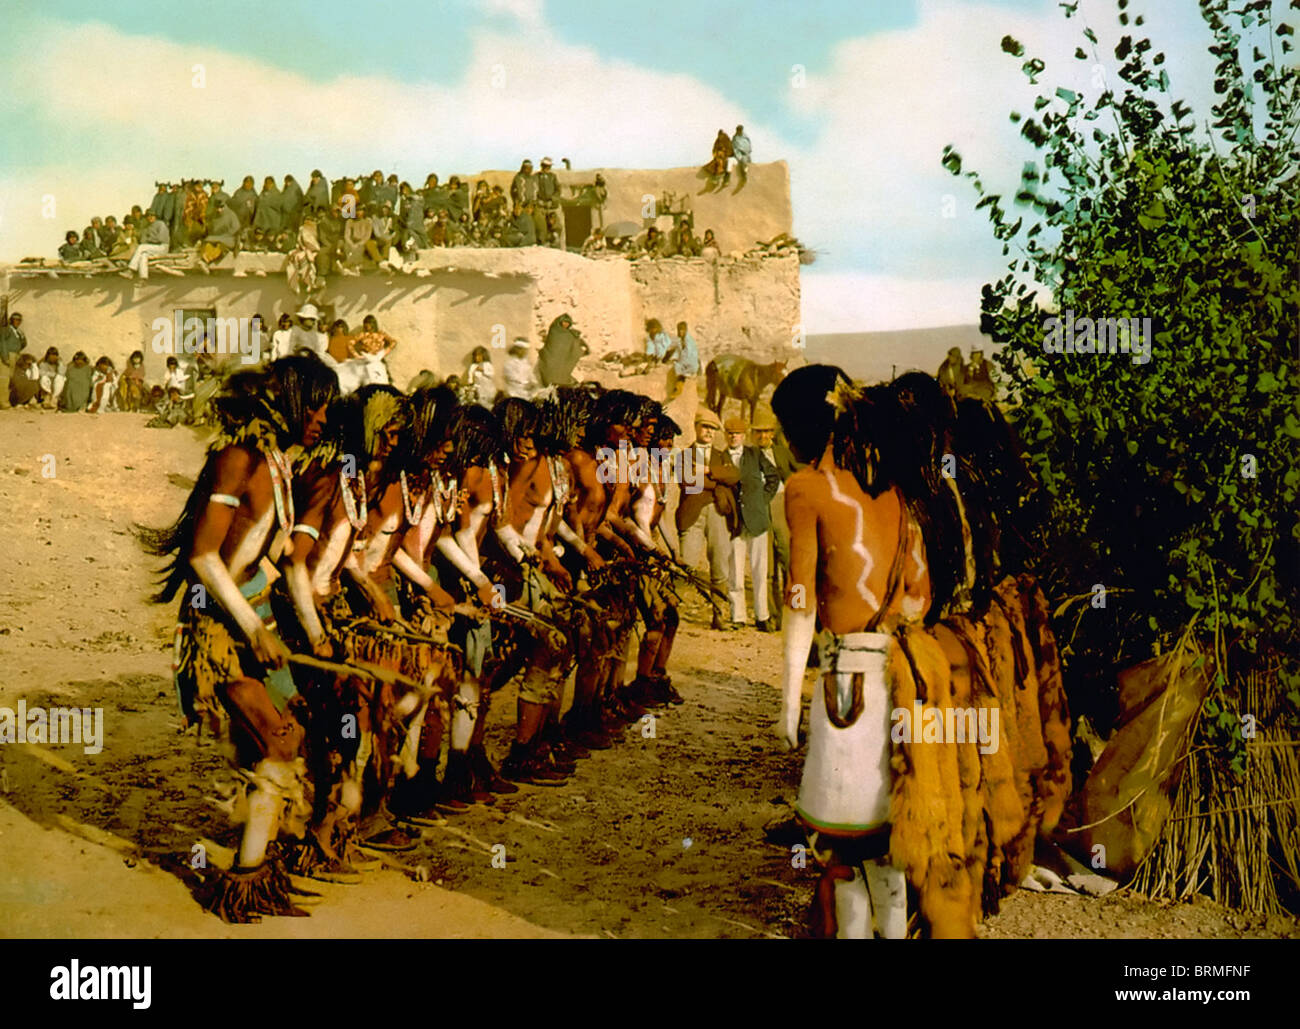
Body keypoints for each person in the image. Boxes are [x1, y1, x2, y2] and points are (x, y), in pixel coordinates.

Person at [140, 356, 338, 922]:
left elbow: (265, 557)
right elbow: (204, 555)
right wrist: (252, 628)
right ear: (291, 400)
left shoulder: (277, 461)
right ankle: (243, 885)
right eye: (316, 403)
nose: (323, 418)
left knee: (287, 736)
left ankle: (259, 877)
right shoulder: (238, 458)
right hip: (218, 630)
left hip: (255, 621)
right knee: (278, 741)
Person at [771, 364, 932, 940]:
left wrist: (789, 703)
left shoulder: (806, 489)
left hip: (847, 695)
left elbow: (800, 602)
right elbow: (920, 595)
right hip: (902, 684)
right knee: (888, 853)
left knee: (840, 854)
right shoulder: (898, 492)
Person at [676, 410, 740, 631]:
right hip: (692, 513)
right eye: (705, 427)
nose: (709, 432)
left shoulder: (722, 456)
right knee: (686, 564)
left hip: (718, 513)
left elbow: (734, 476)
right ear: (695, 427)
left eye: (713, 429)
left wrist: (706, 471)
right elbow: (686, 481)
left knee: (720, 564)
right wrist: (718, 479)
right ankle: (672, 614)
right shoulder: (684, 454)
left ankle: (718, 615)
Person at [719, 415, 779, 629]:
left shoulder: (755, 454)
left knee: (759, 570)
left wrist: (761, 501)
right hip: (734, 523)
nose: (733, 437)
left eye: (737, 433)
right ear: (725, 435)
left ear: (744, 436)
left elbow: (773, 477)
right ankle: (738, 617)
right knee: (735, 570)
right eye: (730, 433)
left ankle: (762, 616)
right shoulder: (720, 457)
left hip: (757, 520)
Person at [753, 413, 799, 629]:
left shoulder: (782, 452)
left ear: (772, 433)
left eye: (766, 431)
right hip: (760, 509)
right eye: (758, 432)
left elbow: (800, 472)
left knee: (790, 561)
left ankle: (797, 610)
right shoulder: (749, 455)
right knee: (767, 567)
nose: (763, 435)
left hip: (781, 505)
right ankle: (773, 616)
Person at [536, 313, 588, 387]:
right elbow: (552, 343)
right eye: (564, 322)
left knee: (561, 369)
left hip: (561, 359)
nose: (565, 324)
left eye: (567, 323)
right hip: (551, 356)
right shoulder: (554, 330)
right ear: (560, 322)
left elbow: (573, 342)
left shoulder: (569, 334)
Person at [126, 210, 170, 279]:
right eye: (148, 216)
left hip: (162, 247)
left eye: (151, 216)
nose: (150, 217)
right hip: (153, 249)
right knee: (143, 255)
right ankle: (143, 278)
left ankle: (131, 269)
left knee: (142, 247)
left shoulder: (160, 224)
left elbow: (161, 239)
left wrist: (149, 240)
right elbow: (143, 240)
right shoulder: (147, 227)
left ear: (155, 217)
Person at [664, 320, 700, 399]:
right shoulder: (680, 341)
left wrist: (680, 362)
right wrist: (673, 358)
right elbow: (678, 351)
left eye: (682, 330)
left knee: (680, 370)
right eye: (679, 330)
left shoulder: (689, 342)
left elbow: (689, 354)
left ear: (686, 330)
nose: (681, 332)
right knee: (675, 367)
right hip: (684, 362)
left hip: (691, 363)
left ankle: (678, 389)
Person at [0, 312, 27, 411]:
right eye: (15, 319)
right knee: (4, 379)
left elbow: (24, 343)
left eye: (19, 320)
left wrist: (19, 347)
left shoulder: (18, 332)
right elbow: (2, 342)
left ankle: (8, 401)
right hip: (8, 355)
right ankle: (3, 403)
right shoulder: (6, 329)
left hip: (15, 355)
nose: (17, 322)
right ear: (11, 320)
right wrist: (5, 356)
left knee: (11, 379)